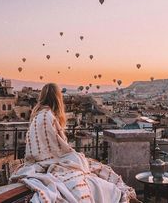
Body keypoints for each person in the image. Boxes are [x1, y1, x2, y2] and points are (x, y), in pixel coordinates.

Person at [10, 83, 140, 203]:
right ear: (57, 98)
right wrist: (70, 153)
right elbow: (60, 145)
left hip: (37, 161)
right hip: (51, 160)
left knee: (84, 163)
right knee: (91, 167)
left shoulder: (37, 115)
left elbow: (46, 143)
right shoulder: (49, 116)